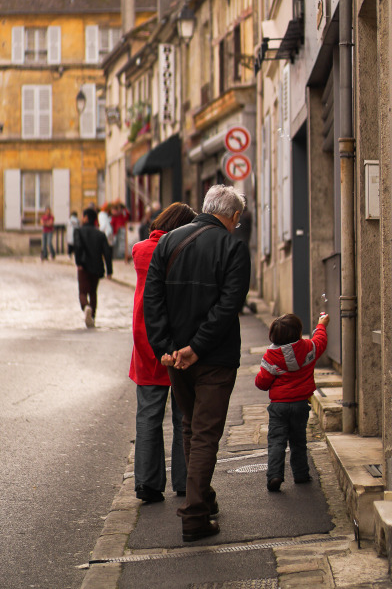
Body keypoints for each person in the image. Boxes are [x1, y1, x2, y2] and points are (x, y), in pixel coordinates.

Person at [143, 184, 251, 542]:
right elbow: (229, 304)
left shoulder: (169, 242)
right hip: (215, 357)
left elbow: (152, 298)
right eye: (238, 219)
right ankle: (194, 515)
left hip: (177, 357)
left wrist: (168, 347)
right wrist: (199, 347)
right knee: (204, 432)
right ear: (233, 216)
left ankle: (201, 497)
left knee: (191, 426)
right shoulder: (233, 246)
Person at [130, 202, 196, 504]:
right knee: (184, 413)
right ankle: (184, 482)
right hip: (178, 337)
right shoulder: (182, 251)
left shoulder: (139, 250)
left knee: (148, 414)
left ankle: (146, 482)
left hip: (145, 337)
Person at [255, 311, 329, 492]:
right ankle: (301, 474)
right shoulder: (309, 348)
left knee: (276, 441)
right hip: (300, 404)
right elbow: (321, 340)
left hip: (279, 406)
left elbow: (261, 383)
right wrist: (321, 324)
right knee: (298, 440)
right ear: (298, 332)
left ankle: (274, 475)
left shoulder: (271, 356)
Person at [74, 207, 113, 328]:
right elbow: (107, 253)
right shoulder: (100, 234)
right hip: (97, 267)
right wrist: (109, 270)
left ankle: (86, 307)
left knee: (82, 292)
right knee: (93, 293)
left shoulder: (79, 231)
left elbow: (78, 247)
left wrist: (79, 263)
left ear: (86, 218)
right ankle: (93, 316)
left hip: (84, 266)